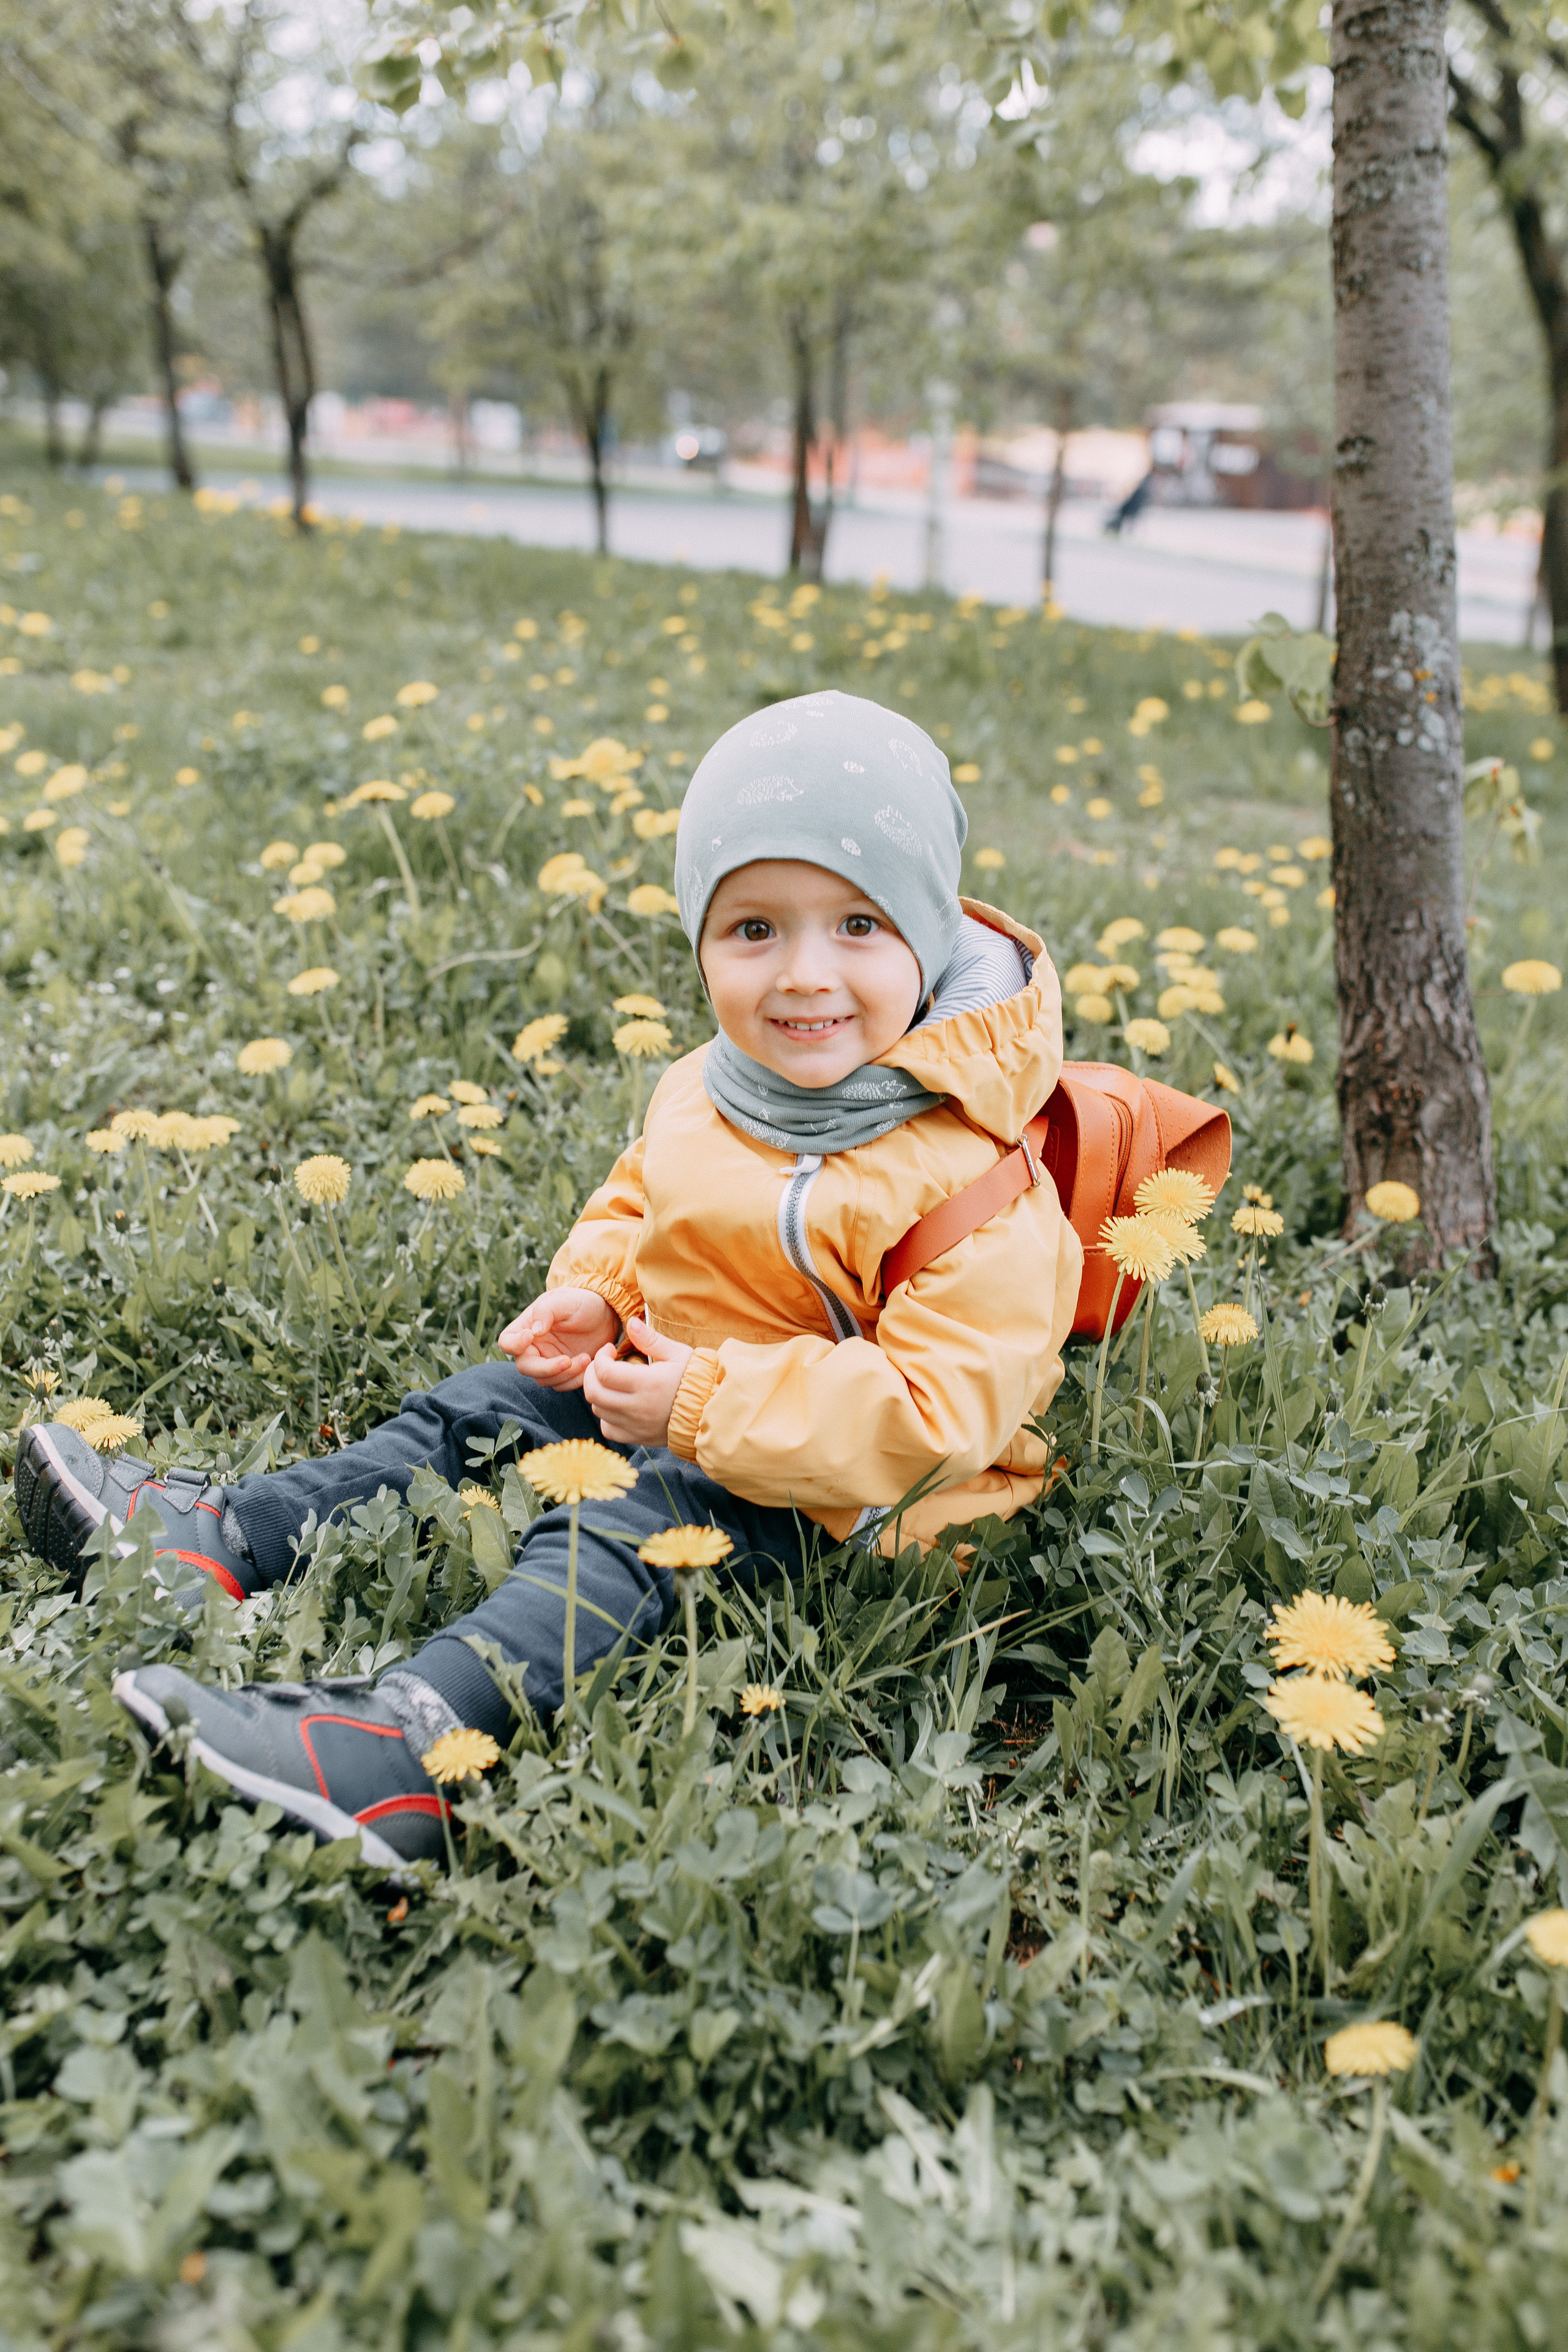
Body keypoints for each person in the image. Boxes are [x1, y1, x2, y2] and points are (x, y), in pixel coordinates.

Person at [13, 690, 1082, 1869]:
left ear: (927, 933)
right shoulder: (715, 1080)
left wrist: (703, 1407)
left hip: (865, 1502)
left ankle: (407, 1749)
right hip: (686, 1395)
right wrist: (604, 1294)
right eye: (754, 929)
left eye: (859, 925)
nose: (803, 975)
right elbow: (650, 1193)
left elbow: (935, 1419)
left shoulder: (975, 1172)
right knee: (480, 1408)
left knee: (629, 1526)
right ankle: (223, 1538)